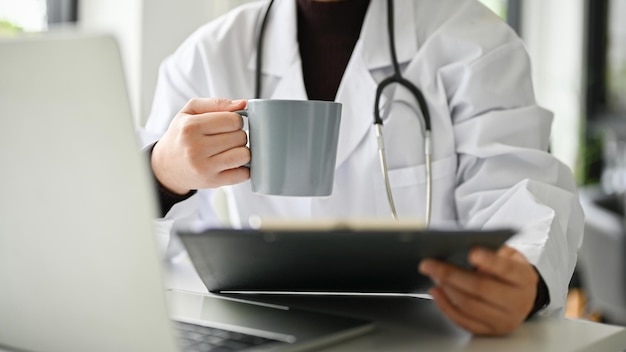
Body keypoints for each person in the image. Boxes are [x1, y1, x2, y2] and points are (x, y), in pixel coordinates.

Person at [142, 0, 584, 336]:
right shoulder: (205, 56)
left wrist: (524, 278)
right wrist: (162, 175)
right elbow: (143, 259)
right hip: (263, 333)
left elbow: (521, 193)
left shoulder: (474, 41)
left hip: (427, 334)